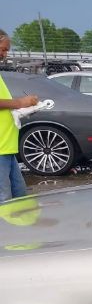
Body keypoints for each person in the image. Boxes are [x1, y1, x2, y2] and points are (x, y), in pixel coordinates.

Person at [0, 29, 38, 202]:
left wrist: (22, 109)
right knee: (5, 200)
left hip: (6, 147)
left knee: (19, 197)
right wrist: (20, 103)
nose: (5, 54)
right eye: (3, 49)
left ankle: (19, 228)